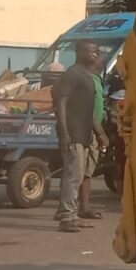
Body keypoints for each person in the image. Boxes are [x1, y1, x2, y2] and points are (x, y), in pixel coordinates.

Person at [51, 41, 108, 232]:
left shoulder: (88, 77)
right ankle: (67, 218)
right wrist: (65, 133)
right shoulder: (71, 75)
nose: (95, 55)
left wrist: (99, 133)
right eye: (92, 52)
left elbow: (89, 110)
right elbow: (61, 104)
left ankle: (72, 214)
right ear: (81, 53)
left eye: (96, 51)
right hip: (73, 133)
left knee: (77, 175)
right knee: (73, 177)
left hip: (84, 133)